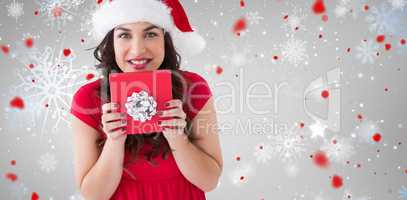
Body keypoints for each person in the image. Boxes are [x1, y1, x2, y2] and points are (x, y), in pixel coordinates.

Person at [70, 0, 223, 199]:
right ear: (111, 42)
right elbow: (93, 195)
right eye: (124, 35)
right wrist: (114, 141)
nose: (137, 50)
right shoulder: (87, 100)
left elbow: (209, 181)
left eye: (150, 34)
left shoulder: (194, 89)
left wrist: (178, 137)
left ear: (166, 40)